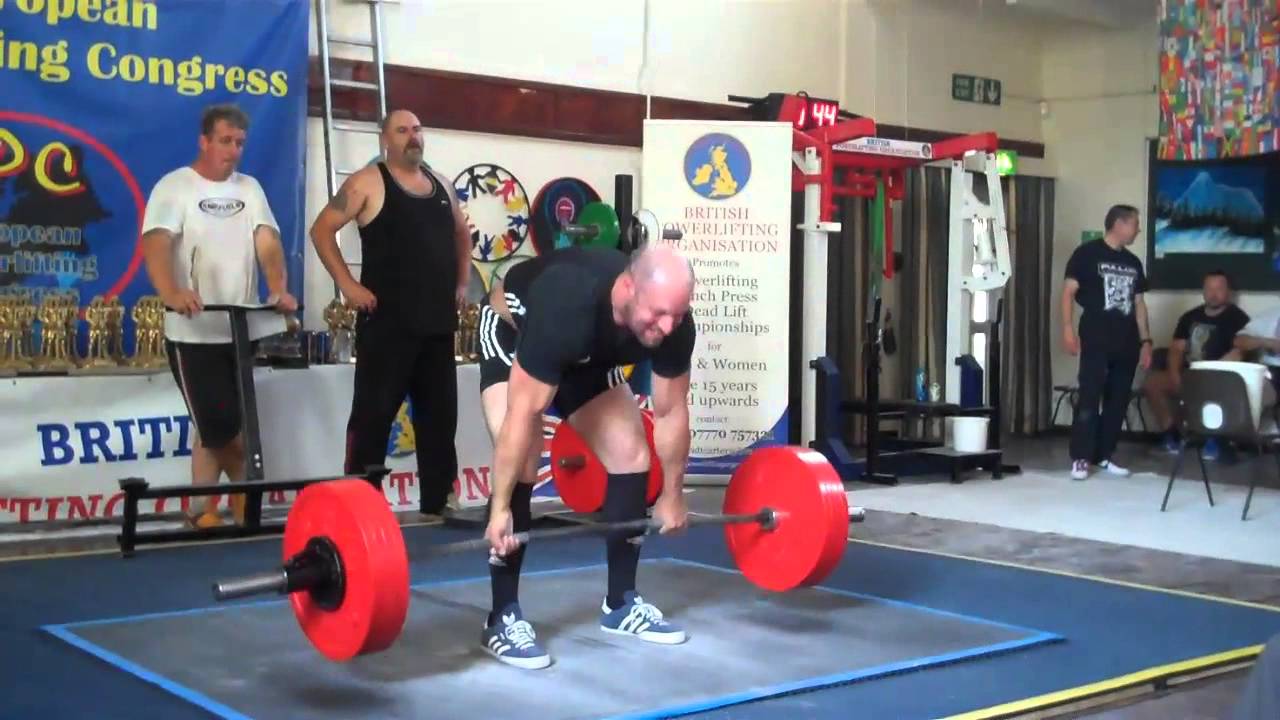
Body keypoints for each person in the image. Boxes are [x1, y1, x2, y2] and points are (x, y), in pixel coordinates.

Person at [477, 244, 696, 669]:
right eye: (658, 314)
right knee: (525, 456)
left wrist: (672, 494)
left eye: (678, 314)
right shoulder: (568, 303)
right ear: (628, 288)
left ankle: (621, 603)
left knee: (631, 452)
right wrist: (500, 507)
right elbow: (526, 413)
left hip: (587, 356)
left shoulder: (673, 323)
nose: (668, 326)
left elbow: (670, 412)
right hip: (516, 335)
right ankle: (501, 616)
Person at [140, 103, 297, 529]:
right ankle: (247, 495)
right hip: (193, 332)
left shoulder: (250, 190)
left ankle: (200, 509)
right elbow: (155, 244)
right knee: (220, 425)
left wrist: (278, 287)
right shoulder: (174, 188)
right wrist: (171, 292)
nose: (233, 150)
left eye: (240, 142)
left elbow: (267, 242)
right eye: (225, 141)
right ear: (204, 141)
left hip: (238, 326)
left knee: (212, 425)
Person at [310, 109, 472, 518]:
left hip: (437, 325)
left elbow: (461, 234)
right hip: (388, 325)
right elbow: (321, 230)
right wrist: (348, 285)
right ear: (386, 139)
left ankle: (439, 500)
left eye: (417, 129)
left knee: (439, 419)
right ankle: (360, 499)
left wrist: (462, 282)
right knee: (373, 415)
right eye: (402, 130)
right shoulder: (368, 181)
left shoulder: (442, 186)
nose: (412, 136)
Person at [1061, 204, 1153, 481]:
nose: (1138, 230)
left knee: (1118, 400)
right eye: (1135, 224)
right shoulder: (1086, 254)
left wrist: (1146, 341)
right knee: (1090, 396)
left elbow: (1139, 304)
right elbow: (1067, 293)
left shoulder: (1133, 262)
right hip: (1096, 338)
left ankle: (1104, 455)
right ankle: (1080, 457)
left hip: (1126, 342)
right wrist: (1067, 329)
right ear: (1120, 224)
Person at [1143, 270, 1249, 455]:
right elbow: (1176, 349)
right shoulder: (1190, 317)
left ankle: (1215, 439)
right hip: (1188, 374)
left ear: (1228, 292)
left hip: (1219, 378)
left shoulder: (1238, 319)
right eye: (1209, 288)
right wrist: (1175, 375)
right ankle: (1172, 435)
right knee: (1153, 383)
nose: (1213, 293)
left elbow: (1239, 352)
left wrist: (1211, 373)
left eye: (1219, 288)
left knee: (1219, 389)